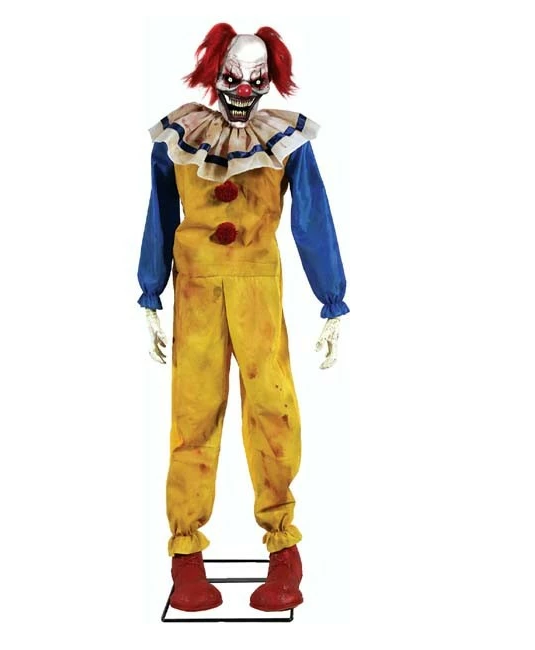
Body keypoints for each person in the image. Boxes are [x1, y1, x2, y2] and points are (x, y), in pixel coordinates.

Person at [137, 23, 349, 612]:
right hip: (196, 291)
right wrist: (151, 292)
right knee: (193, 415)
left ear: (271, 79)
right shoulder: (180, 136)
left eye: (257, 79)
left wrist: (332, 299)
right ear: (215, 75)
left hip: (258, 288)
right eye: (233, 77)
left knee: (272, 410)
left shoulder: (286, 141)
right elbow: (159, 215)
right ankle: (185, 554)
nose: (243, 90)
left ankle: (283, 549)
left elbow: (311, 220)